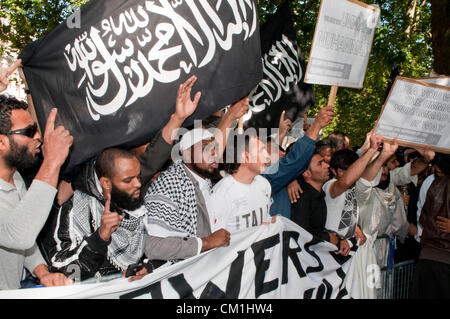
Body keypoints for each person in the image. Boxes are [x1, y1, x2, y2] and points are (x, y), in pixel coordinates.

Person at [0, 95, 73, 290]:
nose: (38, 137)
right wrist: (52, 161)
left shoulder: (14, 177)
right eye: (29, 131)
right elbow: (18, 236)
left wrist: (43, 273)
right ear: (1, 143)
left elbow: (25, 234)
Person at [143, 128, 231, 262]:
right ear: (187, 155)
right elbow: (153, 246)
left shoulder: (207, 181)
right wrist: (206, 243)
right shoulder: (169, 184)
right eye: (206, 149)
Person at [264, 105, 335, 218]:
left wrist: (291, 179)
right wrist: (316, 125)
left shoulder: (291, 182)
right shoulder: (264, 181)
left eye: (282, 150)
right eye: (275, 152)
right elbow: (294, 162)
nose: (283, 154)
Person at [209, 133, 274, 233]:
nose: (268, 156)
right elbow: (215, 238)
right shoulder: (221, 194)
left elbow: (265, 218)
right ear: (246, 157)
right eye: (262, 151)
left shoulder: (264, 185)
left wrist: (271, 221)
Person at [290, 153, 346, 252]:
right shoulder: (301, 196)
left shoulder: (318, 194)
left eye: (324, 161)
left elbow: (316, 228)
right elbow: (300, 232)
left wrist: (337, 238)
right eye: (320, 163)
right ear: (307, 173)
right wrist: (327, 237)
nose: (327, 165)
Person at [411, 156, 450, 299]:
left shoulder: (434, 184)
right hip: (438, 257)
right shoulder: (433, 183)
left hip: (429, 255)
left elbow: (423, 217)